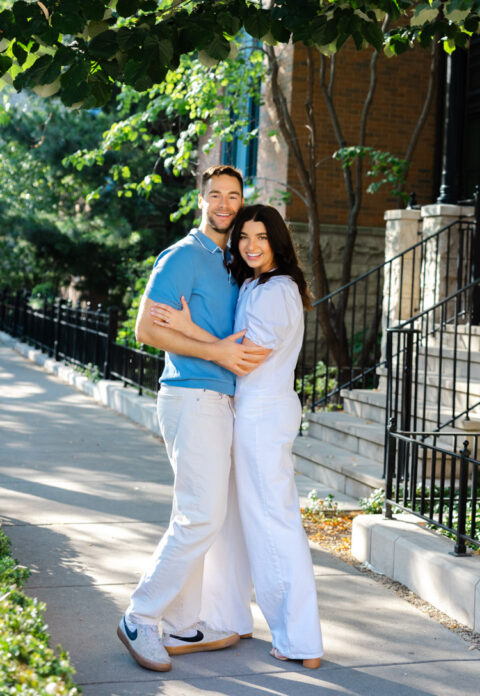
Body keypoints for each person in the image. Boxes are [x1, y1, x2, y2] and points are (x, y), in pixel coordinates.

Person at [149, 203, 324, 669]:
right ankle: (228, 618)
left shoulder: (277, 291)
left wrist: (187, 330)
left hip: (262, 418)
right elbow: (231, 347)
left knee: (272, 522)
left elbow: (244, 359)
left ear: (277, 243)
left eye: (262, 237)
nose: (250, 245)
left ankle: (300, 639)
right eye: (244, 236)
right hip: (242, 414)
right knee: (233, 523)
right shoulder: (255, 284)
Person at [117, 165, 271, 673]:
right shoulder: (183, 256)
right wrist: (219, 354)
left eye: (234, 195)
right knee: (200, 514)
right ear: (200, 199)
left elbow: (226, 342)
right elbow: (145, 329)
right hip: (193, 396)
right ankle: (141, 615)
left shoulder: (229, 261)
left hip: (215, 399)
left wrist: (212, 345)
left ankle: (182, 623)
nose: (225, 204)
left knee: (197, 512)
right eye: (215, 195)